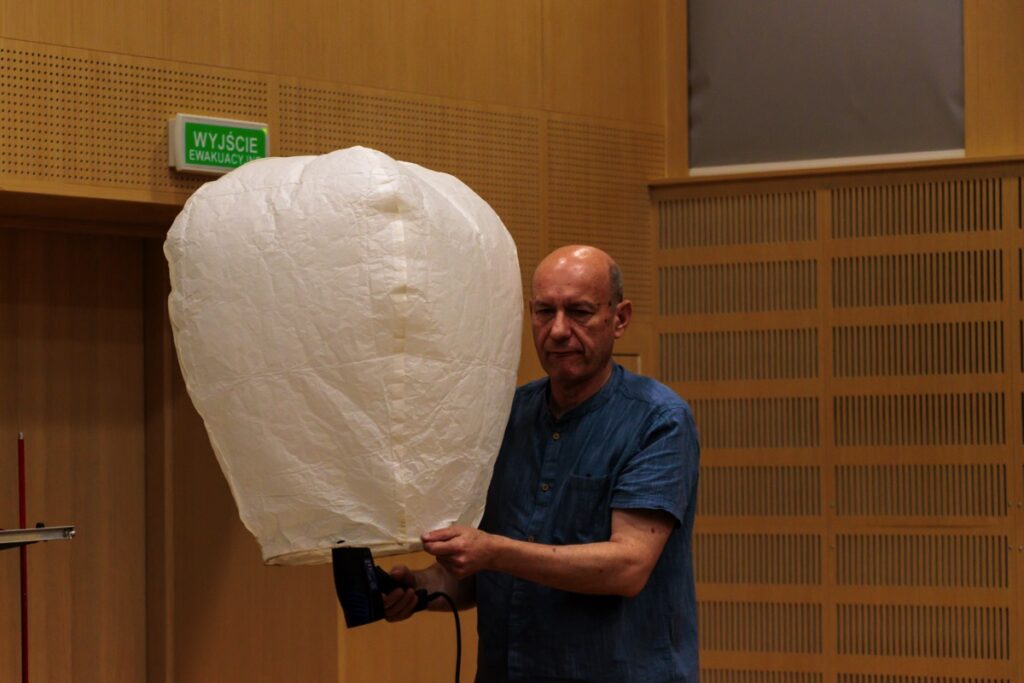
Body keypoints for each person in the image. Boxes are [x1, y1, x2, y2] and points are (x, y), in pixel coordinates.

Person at [385, 245, 700, 682]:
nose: (558, 330)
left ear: (620, 319)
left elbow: (628, 567)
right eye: (544, 312)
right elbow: (482, 575)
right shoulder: (506, 415)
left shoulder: (659, 420)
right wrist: (421, 588)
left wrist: (493, 551)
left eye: (580, 312)